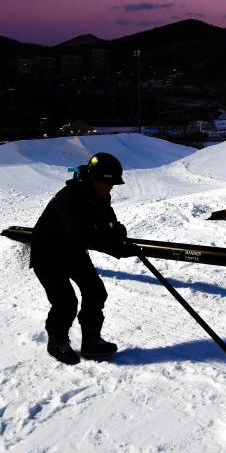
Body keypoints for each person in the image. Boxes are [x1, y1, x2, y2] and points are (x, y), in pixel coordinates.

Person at [30, 152, 135, 365]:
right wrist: (116, 248)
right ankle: (57, 342)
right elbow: (85, 235)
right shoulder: (70, 197)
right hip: (47, 254)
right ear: (94, 178)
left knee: (95, 291)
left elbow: (108, 223)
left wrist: (118, 234)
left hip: (72, 251)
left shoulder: (101, 195)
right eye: (108, 183)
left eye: (113, 184)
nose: (111, 188)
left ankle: (91, 342)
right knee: (66, 301)